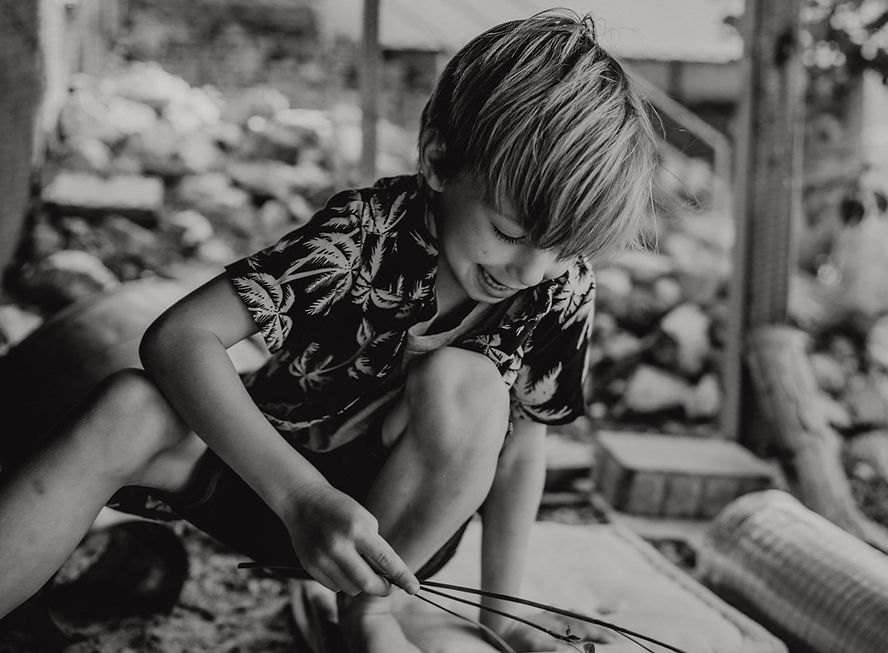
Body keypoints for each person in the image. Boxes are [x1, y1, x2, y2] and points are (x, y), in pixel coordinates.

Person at [0, 9, 659, 652]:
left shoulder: (558, 288)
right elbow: (177, 337)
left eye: (563, 247)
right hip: (267, 476)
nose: (529, 269)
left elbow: (521, 450)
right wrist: (301, 495)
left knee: (472, 384)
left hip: (397, 538)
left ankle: (369, 616)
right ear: (437, 159)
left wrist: (503, 616)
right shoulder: (363, 236)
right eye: (510, 232)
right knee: (126, 406)